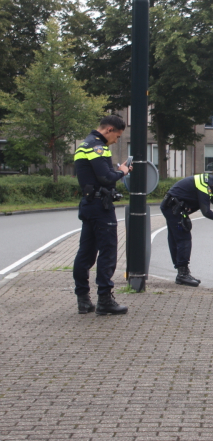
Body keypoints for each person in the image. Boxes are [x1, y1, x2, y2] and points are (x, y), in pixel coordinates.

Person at [73, 114, 130, 315]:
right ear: (109, 130)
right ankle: (105, 300)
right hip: (100, 206)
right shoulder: (98, 147)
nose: (116, 140)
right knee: (108, 252)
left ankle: (83, 299)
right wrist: (123, 171)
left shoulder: (82, 145)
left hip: (88, 204)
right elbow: (105, 177)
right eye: (117, 136)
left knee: (85, 253)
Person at [160, 173, 213, 286]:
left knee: (176, 238)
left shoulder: (209, 183)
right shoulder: (204, 186)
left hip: (173, 206)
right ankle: (182, 274)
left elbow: (212, 197)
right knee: (183, 238)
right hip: (173, 208)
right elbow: (206, 211)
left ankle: (182, 272)